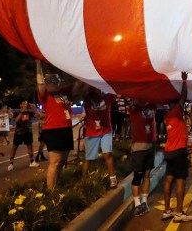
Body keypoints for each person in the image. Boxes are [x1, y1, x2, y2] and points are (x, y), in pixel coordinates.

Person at [36, 60, 76, 190]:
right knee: (55, 161)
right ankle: (50, 192)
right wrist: (38, 64)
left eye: (57, 81)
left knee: (62, 162)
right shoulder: (45, 95)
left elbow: (79, 83)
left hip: (66, 129)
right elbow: (40, 83)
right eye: (52, 82)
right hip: (53, 130)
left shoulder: (64, 92)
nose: (56, 83)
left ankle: (56, 186)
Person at [161, 74, 192, 223]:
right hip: (178, 151)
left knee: (168, 180)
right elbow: (184, 96)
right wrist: (184, 81)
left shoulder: (167, 116)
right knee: (180, 181)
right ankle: (179, 213)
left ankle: (167, 211)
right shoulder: (175, 112)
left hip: (169, 152)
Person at [81, 86, 117, 188]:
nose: (98, 90)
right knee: (89, 158)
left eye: (98, 88)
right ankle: (83, 181)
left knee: (107, 154)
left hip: (106, 130)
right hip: (92, 132)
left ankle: (113, 179)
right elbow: (81, 89)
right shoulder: (87, 100)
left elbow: (113, 89)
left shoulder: (107, 97)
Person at [128, 99, 157, 217]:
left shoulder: (152, 104)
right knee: (137, 177)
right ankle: (137, 204)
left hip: (150, 145)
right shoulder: (134, 108)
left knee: (147, 175)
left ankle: (144, 202)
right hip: (138, 147)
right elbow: (132, 101)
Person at [8, 101, 41, 170]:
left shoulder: (30, 112)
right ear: (21, 105)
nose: (25, 105)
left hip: (28, 131)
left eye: (26, 104)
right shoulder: (17, 112)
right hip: (19, 132)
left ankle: (32, 162)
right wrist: (22, 111)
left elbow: (39, 116)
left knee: (30, 147)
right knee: (14, 147)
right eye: (23, 103)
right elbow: (16, 120)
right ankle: (11, 164)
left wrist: (34, 108)